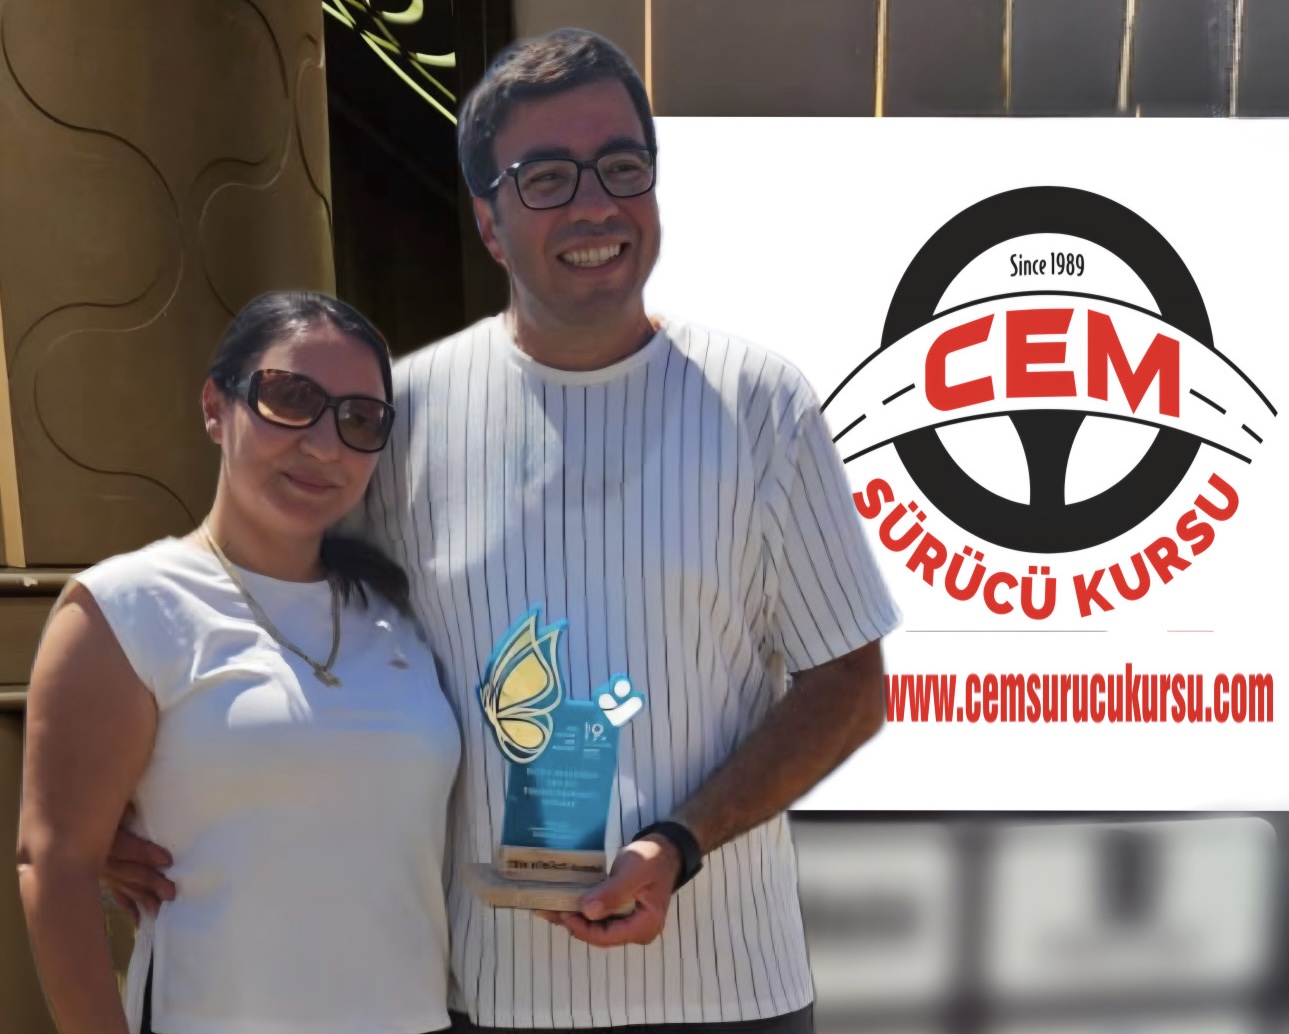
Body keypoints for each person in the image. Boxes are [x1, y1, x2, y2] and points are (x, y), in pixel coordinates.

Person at [106, 28, 899, 1034]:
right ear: (487, 220)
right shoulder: (402, 418)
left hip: (730, 987)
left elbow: (848, 684)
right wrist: (135, 784)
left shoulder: (762, 404)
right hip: (481, 992)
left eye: (622, 166)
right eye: (547, 178)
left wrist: (677, 843)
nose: (594, 203)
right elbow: (268, 609)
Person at [18, 292, 461, 1034]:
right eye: (291, 399)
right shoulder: (126, 608)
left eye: (359, 420)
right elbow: (54, 866)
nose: (324, 445)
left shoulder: (403, 617)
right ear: (215, 407)